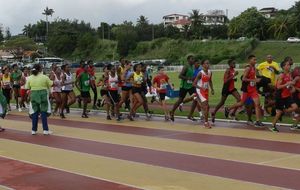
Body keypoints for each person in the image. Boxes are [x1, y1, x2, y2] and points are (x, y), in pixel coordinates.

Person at [225, 55, 264, 127]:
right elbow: (243, 78)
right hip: (247, 90)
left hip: (253, 90)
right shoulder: (248, 68)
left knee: (257, 104)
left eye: (256, 60)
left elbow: (254, 77)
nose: (255, 61)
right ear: (250, 60)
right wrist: (254, 80)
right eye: (254, 60)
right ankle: (228, 108)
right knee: (241, 103)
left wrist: (258, 80)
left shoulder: (254, 68)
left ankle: (258, 121)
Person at [270, 60, 298, 132]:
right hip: (280, 96)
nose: (289, 66)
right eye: (287, 65)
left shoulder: (289, 75)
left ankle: (283, 111)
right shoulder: (281, 75)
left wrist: (293, 88)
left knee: (295, 107)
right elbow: (278, 87)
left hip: (287, 96)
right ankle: (273, 126)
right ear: (283, 67)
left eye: (289, 65)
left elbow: (290, 85)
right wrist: (286, 84)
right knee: (279, 112)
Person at [25, 64, 53, 135]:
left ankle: (33, 130)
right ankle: (45, 130)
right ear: (40, 69)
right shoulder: (45, 77)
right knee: (44, 112)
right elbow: (51, 84)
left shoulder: (29, 78)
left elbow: (27, 87)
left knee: (35, 112)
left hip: (33, 95)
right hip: (43, 94)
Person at [211, 59, 240, 123]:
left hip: (232, 88)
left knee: (240, 100)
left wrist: (235, 79)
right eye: (233, 63)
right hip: (226, 88)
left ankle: (232, 113)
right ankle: (213, 112)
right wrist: (234, 75)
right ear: (229, 64)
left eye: (235, 63)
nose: (234, 64)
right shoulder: (228, 70)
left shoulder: (233, 70)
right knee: (222, 102)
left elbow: (232, 78)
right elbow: (225, 81)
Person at [169, 55, 197, 122]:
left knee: (196, 99)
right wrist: (188, 78)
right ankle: (172, 112)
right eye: (191, 59)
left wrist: (193, 79)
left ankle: (190, 115)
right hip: (184, 86)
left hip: (191, 86)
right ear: (188, 60)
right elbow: (180, 76)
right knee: (180, 100)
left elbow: (192, 76)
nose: (193, 60)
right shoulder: (186, 67)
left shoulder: (193, 67)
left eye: (193, 59)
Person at [193, 59, 214, 128]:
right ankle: (206, 123)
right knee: (206, 106)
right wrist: (201, 88)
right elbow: (194, 84)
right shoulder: (200, 73)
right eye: (206, 63)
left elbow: (210, 81)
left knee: (206, 107)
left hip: (206, 90)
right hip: (200, 90)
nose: (208, 65)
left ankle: (196, 99)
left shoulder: (210, 72)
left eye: (208, 63)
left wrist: (212, 89)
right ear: (203, 65)